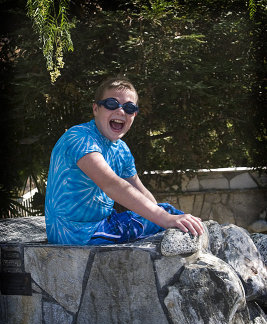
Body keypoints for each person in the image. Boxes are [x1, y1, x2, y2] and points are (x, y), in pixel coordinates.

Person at [45, 77, 204, 245]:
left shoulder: (121, 149)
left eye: (129, 108)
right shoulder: (79, 137)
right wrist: (164, 219)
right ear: (95, 108)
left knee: (166, 212)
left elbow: (138, 189)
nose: (121, 111)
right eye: (111, 104)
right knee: (166, 217)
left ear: (134, 115)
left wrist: (165, 216)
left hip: (101, 225)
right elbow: (111, 184)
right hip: (76, 234)